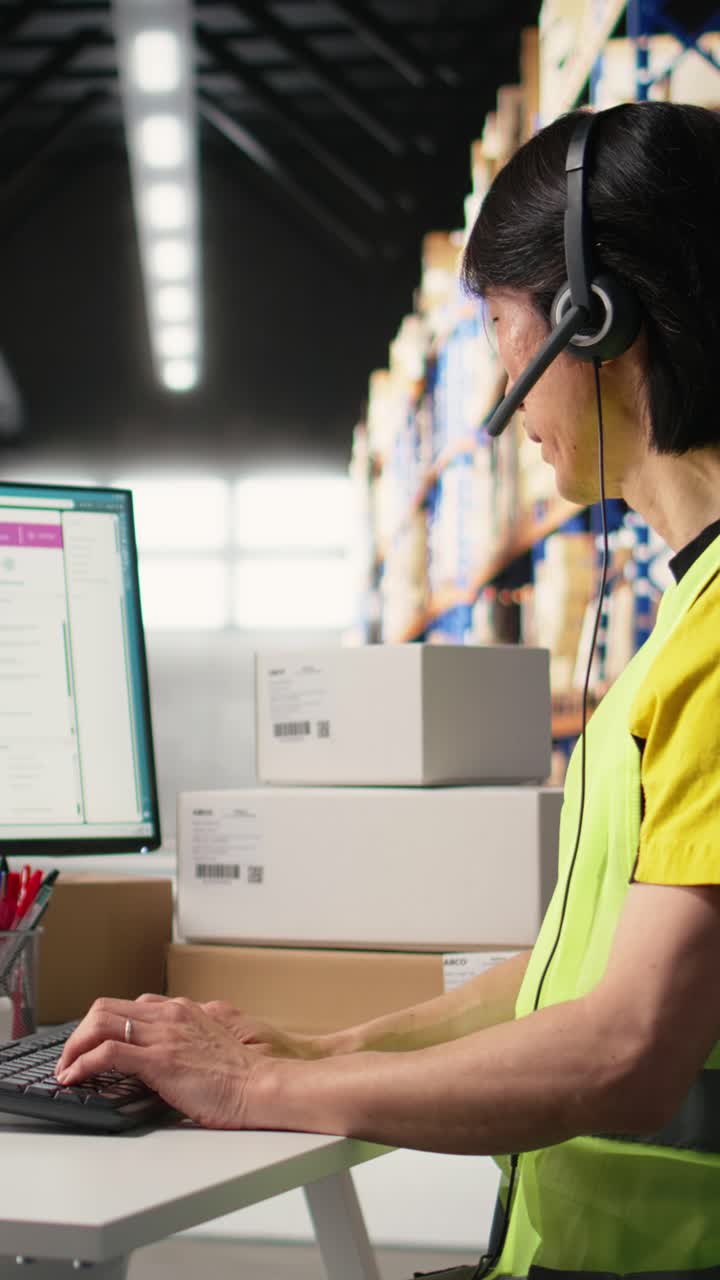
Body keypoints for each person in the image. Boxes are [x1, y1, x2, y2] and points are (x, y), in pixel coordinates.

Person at [56, 101, 720, 1277]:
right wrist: (314, 1049)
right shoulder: (685, 616)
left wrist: (253, 1089)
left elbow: (627, 1049)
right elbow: (572, 976)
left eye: (502, 328)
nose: (502, 391)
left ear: (593, 316)